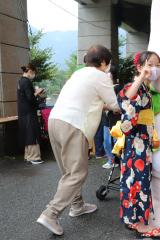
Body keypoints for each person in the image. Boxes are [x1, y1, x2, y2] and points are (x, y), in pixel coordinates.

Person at [36, 45, 120, 236]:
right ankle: (51, 213)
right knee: (77, 173)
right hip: (73, 125)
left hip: (55, 121)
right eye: (109, 62)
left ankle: (77, 205)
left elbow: (92, 101)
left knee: (67, 170)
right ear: (104, 62)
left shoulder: (79, 74)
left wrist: (105, 106)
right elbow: (115, 104)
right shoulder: (101, 76)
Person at [117, 51, 160, 239]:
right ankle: (142, 226)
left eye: (157, 65)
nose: (155, 68)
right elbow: (127, 100)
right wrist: (141, 77)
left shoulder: (146, 89)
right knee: (139, 182)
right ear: (139, 67)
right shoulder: (135, 86)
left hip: (140, 142)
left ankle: (132, 218)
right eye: (150, 64)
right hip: (137, 143)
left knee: (131, 180)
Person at [17, 63, 44, 165]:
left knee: (27, 134)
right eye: (34, 73)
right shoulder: (27, 82)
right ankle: (34, 157)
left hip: (23, 112)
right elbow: (30, 98)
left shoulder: (20, 81)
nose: (34, 75)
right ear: (30, 72)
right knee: (32, 133)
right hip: (29, 112)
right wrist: (38, 92)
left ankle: (28, 156)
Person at [102, 65, 122, 169]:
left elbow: (118, 107)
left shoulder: (117, 87)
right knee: (107, 142)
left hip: (116, 120)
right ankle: (111, 160)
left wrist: (103, 106)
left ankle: (117, 161)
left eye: (107, 73)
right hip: (107, 119)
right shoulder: (106, 88)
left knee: (115, 142)